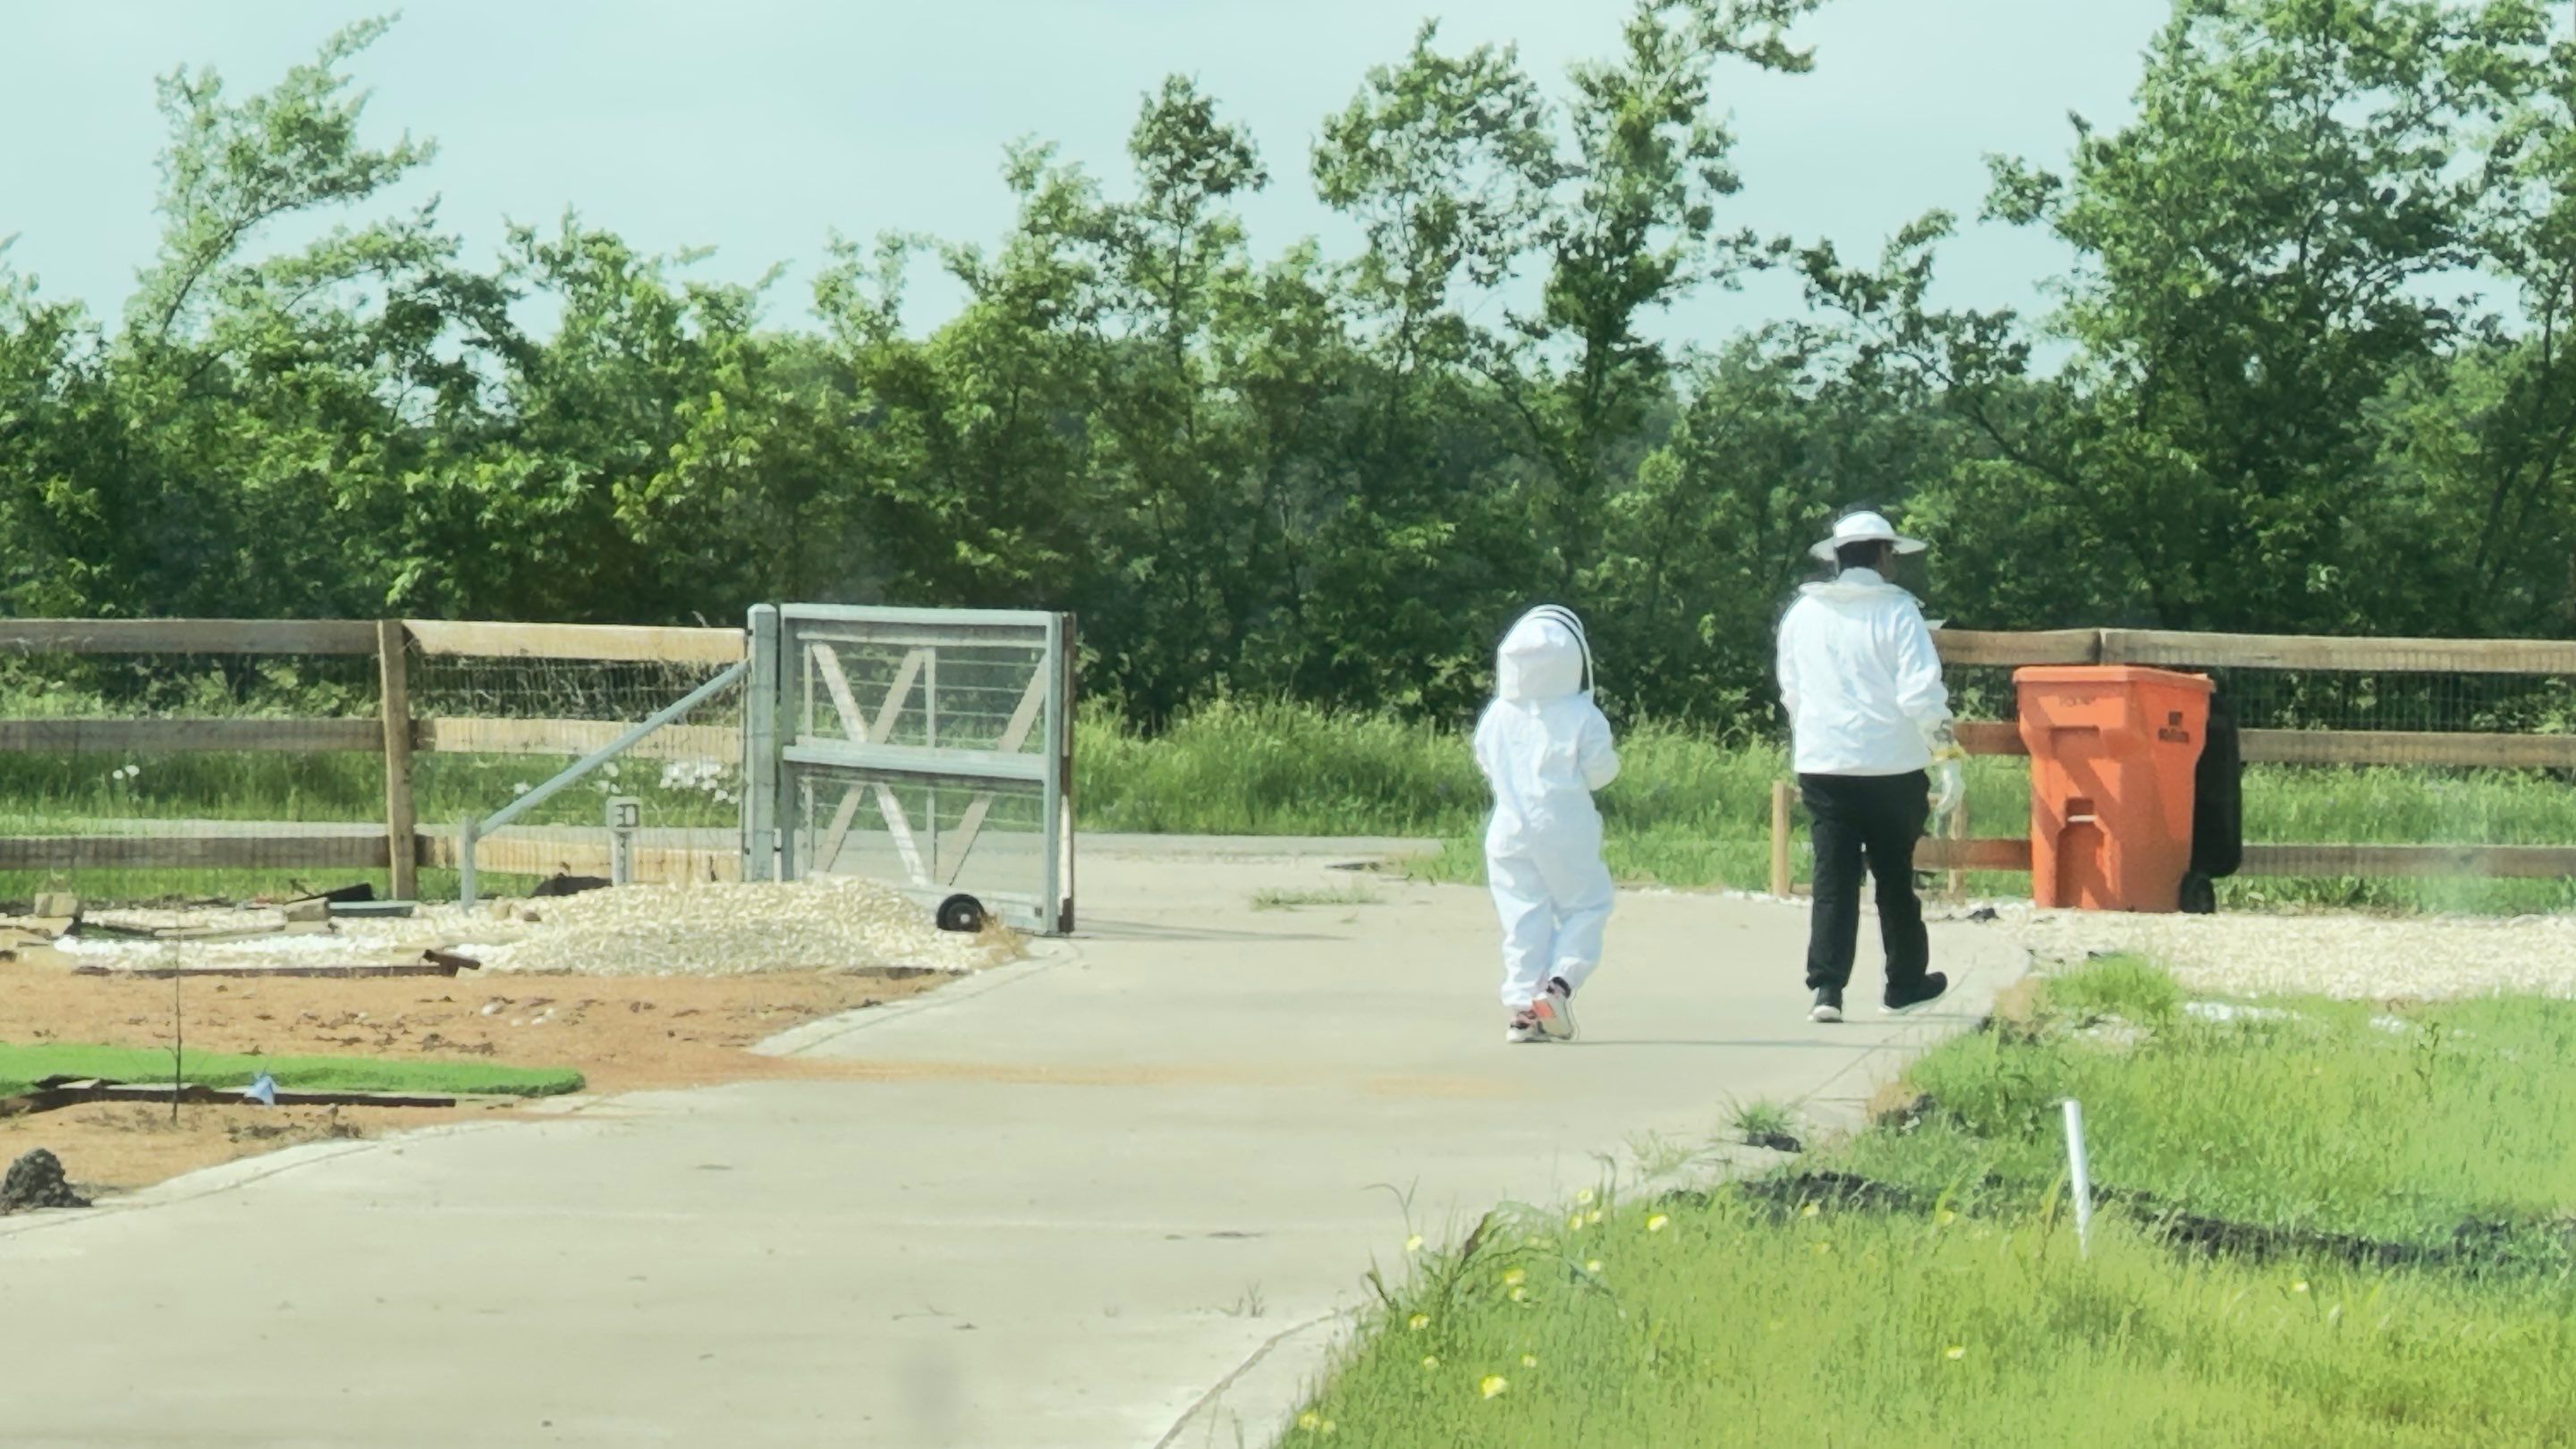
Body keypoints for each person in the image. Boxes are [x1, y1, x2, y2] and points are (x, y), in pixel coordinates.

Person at [1775, 510, 1962, 1023]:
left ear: (1838, 558)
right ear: (1883, 555)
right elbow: (1921, 692)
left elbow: (1791, 691)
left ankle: (1827, 989)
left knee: (1832, 877)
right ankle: (1903, 983)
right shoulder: (1899, 613)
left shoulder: (1802, 614)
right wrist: (1946, 756)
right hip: (1891, 765)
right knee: (1894, 878)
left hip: (1824, 763)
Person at [1473, 605, 1619, 1044]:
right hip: (1564, 825)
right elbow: (1601, 773)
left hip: (1507, 828)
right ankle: (1558, 986)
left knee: (1522, 915)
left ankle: (1523, 1009)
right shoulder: (1581, 714)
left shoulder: (1498, 713)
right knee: (1588, 905)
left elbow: (1485, 761)